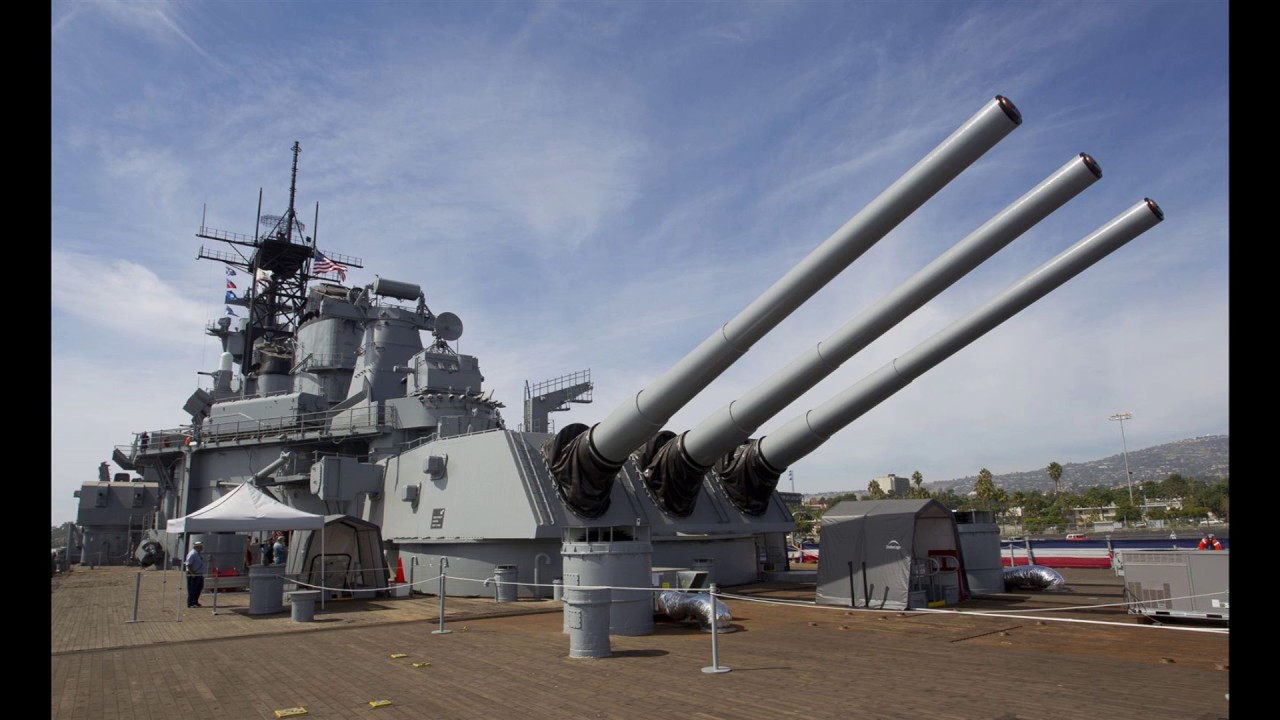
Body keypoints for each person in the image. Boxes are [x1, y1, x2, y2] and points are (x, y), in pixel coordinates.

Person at [184, 541, 207, 608]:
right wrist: (192, 573)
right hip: (193, 574)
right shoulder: (192, 554)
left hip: (199, 574)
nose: (202, 547)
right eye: (200, 546)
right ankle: (190, 603)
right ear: (196, 546)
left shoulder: (198, 553)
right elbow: (188, 564)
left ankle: (195, 601)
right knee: (192, 589)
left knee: (199, 588)